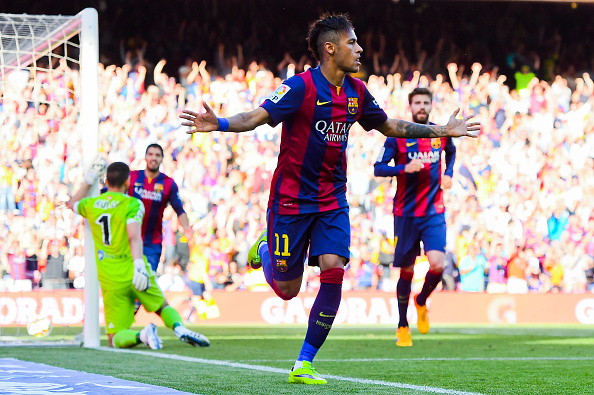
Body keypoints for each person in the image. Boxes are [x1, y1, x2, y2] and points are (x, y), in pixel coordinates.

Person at [180, 13, 479, 384]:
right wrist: (220, 123)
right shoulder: (300, 88)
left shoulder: (357, 92)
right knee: (288, 291)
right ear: (330, 48)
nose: (360, 49)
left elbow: (388, 126)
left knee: (334, 267)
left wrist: (442, 131)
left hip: (332, 200)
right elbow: (255, 116)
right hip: (290, 200)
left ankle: (304, 361)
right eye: (353, 42)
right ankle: (267, 251)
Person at [66, 161, 210, 349]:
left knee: (114, 337)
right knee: (162, 306)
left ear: (107, 180)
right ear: (127, 182)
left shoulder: (91, 204)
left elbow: (71, 203)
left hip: (110, 275)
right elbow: (134, 237)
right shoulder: (133, 203)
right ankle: (178, 327)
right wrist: (139, 266)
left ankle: (142, 335)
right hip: (133, 268)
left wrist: (89, 179)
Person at [373, 87, 458, 347]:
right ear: (410, 106)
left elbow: (451, 152)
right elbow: (378, 168)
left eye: (426, 102)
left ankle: (421, 301)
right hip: (406, 214)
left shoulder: (439, 134)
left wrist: (449, 173)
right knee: (407, 270)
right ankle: (402, 325)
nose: (422, 106)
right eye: (417, 102)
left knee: (438, 265)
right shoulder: (397, 135)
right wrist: (403, 168)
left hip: (434, 211)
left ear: (431, 105)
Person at [129, 143, 193, 273]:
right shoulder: (132, 177)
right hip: (129, 240)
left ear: (162, 159)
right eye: (150, 154)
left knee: (146, 281)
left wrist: (187, 228)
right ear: (145, 157)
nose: (153, 158)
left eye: (157, 155)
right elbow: (112, 191)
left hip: (152, 244)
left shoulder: (168, 183)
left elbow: (179, 209)